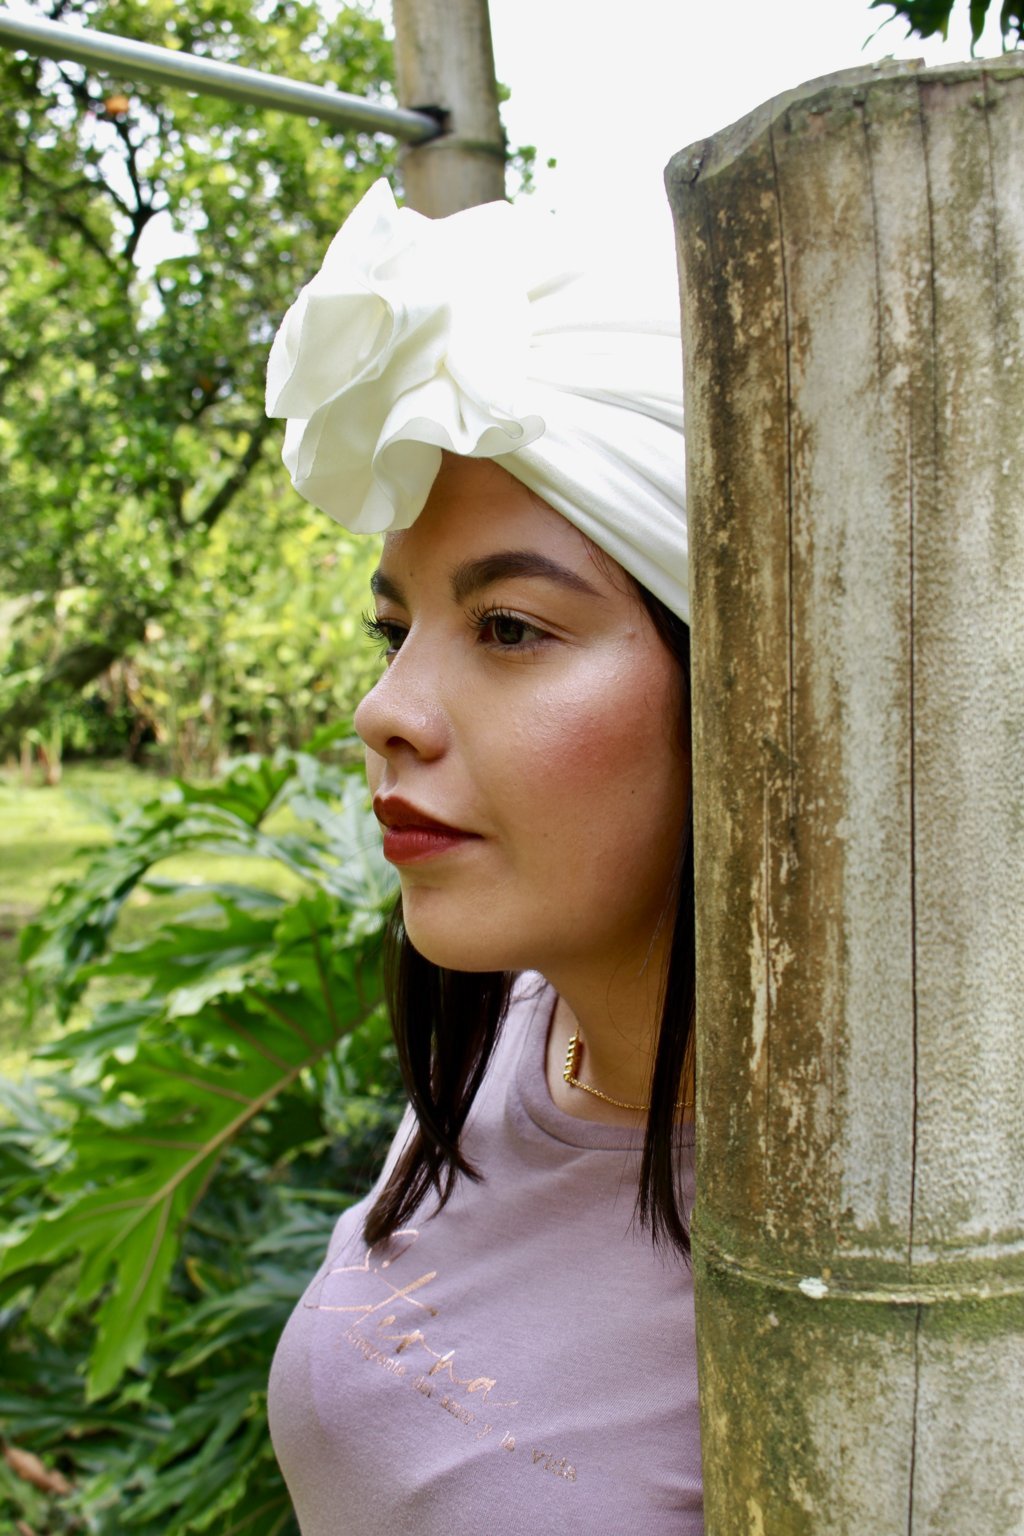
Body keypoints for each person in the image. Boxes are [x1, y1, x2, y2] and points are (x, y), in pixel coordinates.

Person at [264, 178, 701, 1535]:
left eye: (509, 627)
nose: (383, 710)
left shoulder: (907, 1268)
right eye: (394, 630)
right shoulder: (516, 1017)